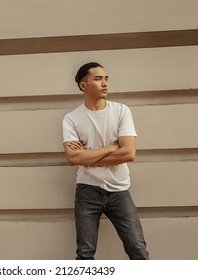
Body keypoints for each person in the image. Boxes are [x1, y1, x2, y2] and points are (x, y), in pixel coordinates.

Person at [62, 62, 149, 260]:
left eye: (106, 78)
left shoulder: (121, 111)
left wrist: (88, 156)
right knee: (85, 254)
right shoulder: (71, 118)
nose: (105, 84)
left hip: (119, 189)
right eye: (98, 79)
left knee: (138, 250)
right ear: (83, 86)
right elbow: (73, 157)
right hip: (87, 189)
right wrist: (111, 147)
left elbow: (128, 153)